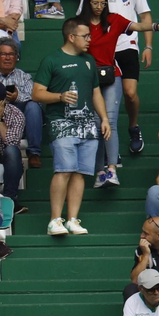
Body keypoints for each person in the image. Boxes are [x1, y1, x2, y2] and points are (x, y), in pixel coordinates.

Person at [32, 17, 106, 237]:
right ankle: (55, 219)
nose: (89, 40)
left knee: (81, 173)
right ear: (71, 36)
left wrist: (104, 118)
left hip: (88, 124)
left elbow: (96, 93)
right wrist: (59, 96)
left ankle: (73, 219)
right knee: (63, 170)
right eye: (85, 36)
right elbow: (36, 93)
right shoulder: (51, 60)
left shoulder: (89, 61)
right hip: (60, 123)